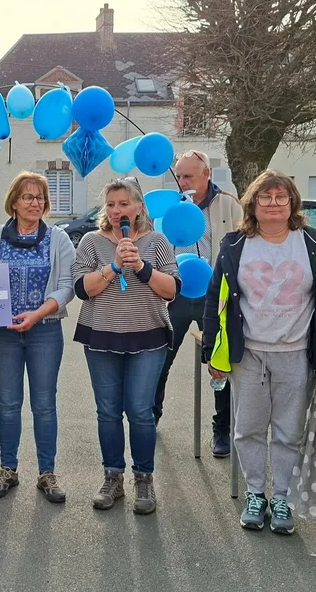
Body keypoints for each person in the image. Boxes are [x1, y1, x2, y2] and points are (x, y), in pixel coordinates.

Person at [201, 170, 316, 535]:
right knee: (247, 429)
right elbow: (217, 300)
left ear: (292, 202)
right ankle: (255, 494)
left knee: (289, 430)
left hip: (296, 353)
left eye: (281, 197)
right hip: (248, 354)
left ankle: (281, 498)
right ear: (253, 204)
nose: (273, 203)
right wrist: (212, 355)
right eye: (266, 197)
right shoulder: (234, 245)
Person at [72, 178, 180, 514]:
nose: (117, 210)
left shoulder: (157, 241)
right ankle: (112, 476)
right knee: (107, 411)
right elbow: (82, 289)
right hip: (101, 335)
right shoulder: (91, 241)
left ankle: (144, 480)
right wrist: (114, 266)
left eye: (124, 204)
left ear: (139, 208)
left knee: (140, 412)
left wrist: (141, 267)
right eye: (111, 204)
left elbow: (171, 290)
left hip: (148, 337)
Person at [0, 172, 76, 503]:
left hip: (45, 330)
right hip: (4, 333)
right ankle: (8, 469)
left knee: (44, 403)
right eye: (28, 197)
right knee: (8, 404)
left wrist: (38, 314)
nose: (35, 203)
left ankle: (47, 473)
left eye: (40, 197)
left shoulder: (58, 239)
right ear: (13, 202)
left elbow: (67, 287)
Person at [153, 150, 243, 457]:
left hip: (214, 296)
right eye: (179, 175)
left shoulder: (228, 204)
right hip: (176, 293)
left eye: (188, 175)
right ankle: (151, 418)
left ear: (206, 175)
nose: (182, 181)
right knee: (161, 358)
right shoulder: (170, 208)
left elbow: (242, 246)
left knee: (219, 362)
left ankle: (222, 430)